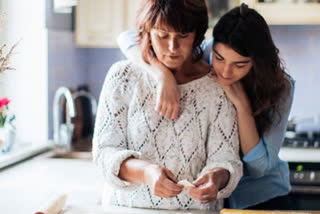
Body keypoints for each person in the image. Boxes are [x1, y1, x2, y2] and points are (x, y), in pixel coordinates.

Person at [117, 3, 295, 210]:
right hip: (208, 200)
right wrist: (162, 75)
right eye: (219, 58)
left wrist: (241, 105)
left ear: (257, 62)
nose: (226, 72)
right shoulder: (202, 53)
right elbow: (128, 38)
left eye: (240, 65)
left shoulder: (281, 87)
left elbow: (258, 168)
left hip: (259, 197)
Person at [92, 0, 243, 211]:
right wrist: (145, 172)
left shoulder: (216, 86)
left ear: (197, 35)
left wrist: (215, 179)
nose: (173, 47)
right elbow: (104, 154)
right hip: (126, 209)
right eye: (163, 35)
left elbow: (227, 159)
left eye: (183, 36)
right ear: (147, 33)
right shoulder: (123, 77)